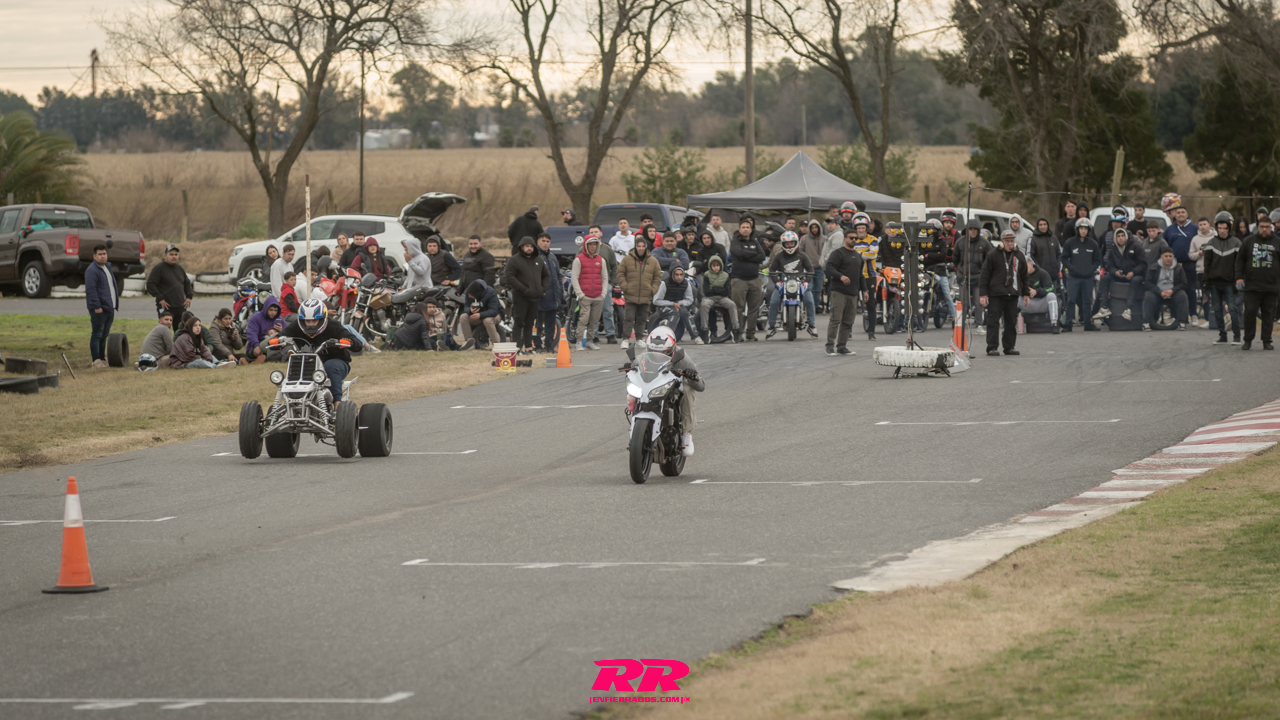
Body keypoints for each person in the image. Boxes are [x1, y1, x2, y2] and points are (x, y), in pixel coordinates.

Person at [629, 326, 703, 456]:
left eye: (664, 352)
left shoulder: (683, 358)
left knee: (687, 388)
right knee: (633, 388)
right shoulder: (644, 356)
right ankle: (636, 420)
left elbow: (701, 386)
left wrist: (692, 376)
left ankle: (686, 433)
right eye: (653, 351)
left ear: (672, 348)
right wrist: (631, 368)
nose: (658, 355)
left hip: (673, 386)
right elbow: (634, 370)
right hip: (652, 385)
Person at [278, 300, 364, 400]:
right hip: (308, 363)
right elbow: (279, 337)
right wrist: (276, 341)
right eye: (307, 321)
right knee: (296, 366)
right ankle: (293, 402)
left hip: (336, 363)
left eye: (314, 321)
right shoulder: (296, 326)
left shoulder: (333, 325)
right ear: (302, 320)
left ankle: (337, 403)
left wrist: (349, 342)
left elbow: (357, 343)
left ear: (322, 318)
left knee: (330, 367)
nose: (310, 324)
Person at [979, 230, 1030, 356]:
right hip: (996, 293)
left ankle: (1009, 346)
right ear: (1002, 242)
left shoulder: (1019, 255)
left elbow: (1024, 276)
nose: (1009, 243)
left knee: (1011, 322)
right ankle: (992, 347)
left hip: (1012, 293)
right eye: (1007, 241)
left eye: (1011, 241)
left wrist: (1026, 293)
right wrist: (983, 294)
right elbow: (984, 275)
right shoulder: (993, 254)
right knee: (993, 321)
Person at [1235, 216, 1280, 350]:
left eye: (1267, 227)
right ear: (1257, 227)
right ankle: (1248, 340)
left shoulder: (1277, 242)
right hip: (1251, 287)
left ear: (1271, 227)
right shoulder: (1249, 241)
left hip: (1271, 287)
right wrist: (1239, 278)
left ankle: (1267, 340)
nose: (1264, 229)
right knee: (1249, 314)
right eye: (1262, 227)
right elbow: (1239, 261)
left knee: (1269, 315)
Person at [503, 236, 550, 355]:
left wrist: (542, 289)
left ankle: (528, 347)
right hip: (521, 296)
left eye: (531, 246)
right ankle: (517, 347)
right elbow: (509, 276)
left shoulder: (539, 260)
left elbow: (546, 276)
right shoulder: (514, 260)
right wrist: (523, 289)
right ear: (521, 247)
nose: (529, 248)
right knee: (519, 322)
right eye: (527, 246)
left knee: (530, 323)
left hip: (535, 297)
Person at [766, 231, 818, 339]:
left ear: (796, 243)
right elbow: (772, 270)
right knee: (774, 302)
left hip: (800, 283)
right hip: (783, 283)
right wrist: (777, 282)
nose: (789, 245)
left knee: (809, 301)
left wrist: (806, 281)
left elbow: (810, 269)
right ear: (783, 244)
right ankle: (771, 326)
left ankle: (812, 325)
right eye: (787, 243)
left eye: (791, 243)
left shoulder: (802, 255)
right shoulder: (779, 256)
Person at [1203, 211, 1243, 345]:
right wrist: (1206, 281)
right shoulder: (1211, 243)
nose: (1221, 230)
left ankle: (1237, 336)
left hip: (1229, 283)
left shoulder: (1236, 243)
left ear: (1229, 227)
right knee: (1217, 310)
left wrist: (1237, 280)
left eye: (1224, 228)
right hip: (1215, 283)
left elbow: (1239, 264)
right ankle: (1222, 336)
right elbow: (1207, 264)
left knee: (1232, 309)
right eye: (1219, 228)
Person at [823, 229, 865, 356]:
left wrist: (865, 290)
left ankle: (842, 346)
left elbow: (860, 275)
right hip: (839, 291)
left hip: (853, 293)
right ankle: (829, 346)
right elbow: (829, 268)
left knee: (848, 321)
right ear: (845, 239)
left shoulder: (858, 256)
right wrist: (840, 276)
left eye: (855, 238)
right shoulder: (838, 253)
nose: (854, 240)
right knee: (836, 319)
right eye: (851, 238)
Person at [616, 235, 662, 348]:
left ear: (646, 247)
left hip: (646, 295)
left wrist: (653, 289)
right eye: (639, 246)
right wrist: (625, 287)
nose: (641, 248)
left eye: (643, 246)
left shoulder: (653, 261)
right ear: (635, 247)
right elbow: (620, 273)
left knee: (642, 319)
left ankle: (639, 338)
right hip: (630, 294)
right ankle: (625, 339)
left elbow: (657, 277)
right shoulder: (627, 259)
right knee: (629, 318)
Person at [1059, 217, 1102, 331]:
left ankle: (1088, 323)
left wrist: (1091, 269)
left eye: (1085, 229)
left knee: (1087, 301)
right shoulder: (1070, 242)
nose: (1083, 231)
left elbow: (1098, 260)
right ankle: (1068, 324)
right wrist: (1071, 268)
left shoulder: (1093, 244)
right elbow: (1064, 258)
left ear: (1089, 230)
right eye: (1081, 228)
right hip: (1073, 277)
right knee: (1071, 300)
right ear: (1077, 229)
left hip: (1088, 277)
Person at [729, 218, 767, 342]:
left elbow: (762, 256)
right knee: (738, 308)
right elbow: (738, 253)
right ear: (739, 229)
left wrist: (745, 256)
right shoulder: (735, 242)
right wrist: (753, 255)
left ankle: (751, 333)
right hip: (739, 280)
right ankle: (738, 333)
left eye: (747, 227)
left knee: (754, 308)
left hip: (754, 279)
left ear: (751, 229)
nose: (745, 229)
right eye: (743, 227)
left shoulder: (755, 242)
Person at [1162, 193, 1199, 322]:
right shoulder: (1169, 229)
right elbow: (1165, 246)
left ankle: (1193, 315)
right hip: (1174, 264)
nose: (1181, 215)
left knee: (1191, 290)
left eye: (1183, 212)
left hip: (1190, 264)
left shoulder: (1194, 228)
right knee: (1174, 290)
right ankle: (1174, 316)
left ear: (1187, 214)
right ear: (1175, 215)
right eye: (1178, 213)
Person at [1095, 228, 1144, 323]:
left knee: (1135, 280)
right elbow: (1110, 265)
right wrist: (1116, 272)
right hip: (1120, 276)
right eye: (1118, 236)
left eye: (1122, 236)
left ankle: (1129, 308)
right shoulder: (1113, 250)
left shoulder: (1136, 247)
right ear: (1115, 238)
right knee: (1105, 279)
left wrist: (1133, 272)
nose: (1121, 238)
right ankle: (1104, 307)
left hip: (1135, 275)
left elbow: (1143, 264)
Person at [84, 243, 120, 369]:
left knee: (104, 334)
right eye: (100, 254)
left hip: (109, 307)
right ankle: (96, 360)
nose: (103, 256)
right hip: (99, 309)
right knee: (97, 334)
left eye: (104, 254)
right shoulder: (92, 270)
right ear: (94, 256)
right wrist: (97, 307)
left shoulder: (107, 267)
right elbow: (91, 290)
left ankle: (102, 358)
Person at [572, 234, 610, 350]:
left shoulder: (601, 260)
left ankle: (590, 341)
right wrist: (580, 294)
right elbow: (574, 278)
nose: (593, 246)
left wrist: (603, 294)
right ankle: (579, 341)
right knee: (583, 319)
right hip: (585, 296)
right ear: (585, 245)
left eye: (595, 244)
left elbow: (605, 278)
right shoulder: (578, 259)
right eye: (590, 244)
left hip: (598, 296)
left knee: (594, 320)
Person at [1142, 250, 1190, 331]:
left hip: (1173, 293)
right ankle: (1146, 323)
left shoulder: (1179, 268)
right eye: (1166, 256)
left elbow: (1184, 283)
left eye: (1170, 256)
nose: (1168, 258)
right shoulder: (1153, 267)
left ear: (1173, 257)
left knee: (1183, 296)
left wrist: (1172, 290)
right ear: (1161, 257)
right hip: (1157, 293)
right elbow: (1148, 283)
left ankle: (1182, 322)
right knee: (1148, 297)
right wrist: (1159, 292)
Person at [955, 220, 990, 330]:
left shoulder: (984, 243)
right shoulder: (960, 242)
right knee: (963, 301)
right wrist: (960, 270)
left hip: (979, 277)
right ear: (967, 230)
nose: (973, 231)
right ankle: (962, 324)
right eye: (971, 229)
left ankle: (979, 324)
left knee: (979, 302)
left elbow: (990, 259)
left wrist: (984, 273)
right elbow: (955, 258)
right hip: (963, 276)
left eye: (975, 229)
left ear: (978, 230)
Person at [653, 264, 698, 342]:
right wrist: (672, 304)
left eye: (681, 274)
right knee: (674, 314)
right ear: (672, 275)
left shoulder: (686, 284)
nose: (679, 277)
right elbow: (656, 301)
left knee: (685, 313)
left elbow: (689, 299)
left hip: (678, 305)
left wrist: (679, 303)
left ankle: (695, 336)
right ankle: (668, 338)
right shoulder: (664, 283)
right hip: (663, 306)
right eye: (677, 274)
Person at [146, 243, 193, 318]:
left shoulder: (180, 269)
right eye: (171, 254)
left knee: (181, 326)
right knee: (166, 325)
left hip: (180, 307)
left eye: (176, 254)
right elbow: (150, 285)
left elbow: (187, 283)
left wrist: (189, 297)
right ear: (165, 255)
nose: (174, 257)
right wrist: (160, 298)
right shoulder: (159, 268)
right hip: (166, 307)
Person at [535, 232, 563, 352]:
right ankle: (537, 346)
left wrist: (560, 291)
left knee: (551, 325)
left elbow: (558, 276)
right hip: (541, 297)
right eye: (543, 241)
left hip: (553, 297)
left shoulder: (553, 257)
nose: (545, 243)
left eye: (548, 241)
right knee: (538, 324)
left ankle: (549, 346)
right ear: (538, 242)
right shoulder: (535, 257)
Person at [698, 256, 737, 343]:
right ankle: (705, 329)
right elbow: (707, 291)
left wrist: (714, 288)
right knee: (704, 305)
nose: (716, 268)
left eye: (718, 265)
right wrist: (719, 289)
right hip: (710, 298)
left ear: (721, 266)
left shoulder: (725, 275)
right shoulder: (706, 275)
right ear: (710, 266)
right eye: (714, 266)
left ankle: (735, 329)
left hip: (722, 298)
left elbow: (727, 291)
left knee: (732, 305)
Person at [1188, 216, 1216, 327]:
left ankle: (1217, 318)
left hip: (1215, 270)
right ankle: (1207, 319)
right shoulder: (1195, 239)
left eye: (1204, 224)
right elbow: (1191, 255)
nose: (1203, 227)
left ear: (1209, 224)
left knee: (1216, 295)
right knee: (1205, 296)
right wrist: (1199, 254)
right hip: (1201, 271)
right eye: (1200, 225)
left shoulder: (1216, 237)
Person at [460, 280, 504, 349]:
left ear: (477, 294)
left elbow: (494, 311)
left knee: (487, 320)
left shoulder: (490, 292)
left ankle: (496, 344)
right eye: (468, 294)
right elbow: (466, 306)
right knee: (463, 317)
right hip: (478, 316)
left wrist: (480, 315)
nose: (469, 296)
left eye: (471, 295)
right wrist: (470, 310)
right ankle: (469, 342)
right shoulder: (469, 291)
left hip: (495, 315)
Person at [1022, 257, 1060, 330]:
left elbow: (1051, 288)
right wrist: (1025, 291)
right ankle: (1010, 326)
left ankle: (1054, 323)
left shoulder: (1042, 273)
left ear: (1031, 264)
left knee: (1052, 295)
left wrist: (1037, 291)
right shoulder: (1020, 275)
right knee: (1014, 298)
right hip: (1028, 303)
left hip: (1042, 303)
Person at [245, 295, 284, 363]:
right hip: (258, 346)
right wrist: (256, 345)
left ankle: (261, 359)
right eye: (271, 310)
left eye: (275, 310)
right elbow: (252, 334)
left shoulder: (280, 320)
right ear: (266, 308)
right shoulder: (256, 318)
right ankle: (257, 359)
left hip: (275, 346)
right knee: (256, 351)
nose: (273, 312)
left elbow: (288, 334)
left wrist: (282, 331)